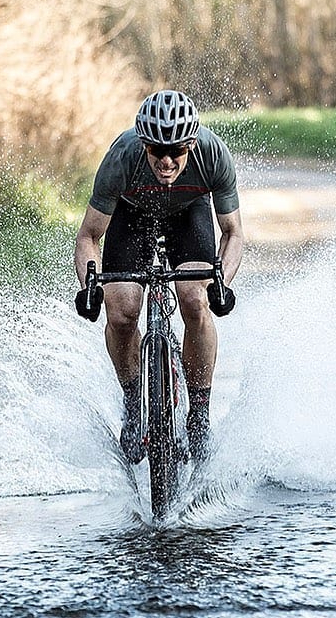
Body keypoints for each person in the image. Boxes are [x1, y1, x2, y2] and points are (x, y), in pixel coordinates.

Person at [74, 89, 244, 464]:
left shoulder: (213, 155)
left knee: (194, 300)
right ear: (144, 145)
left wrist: (222, 283)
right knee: (122, 311)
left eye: (177, 152)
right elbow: (89, 236)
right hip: (132, 215)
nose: (166, 161)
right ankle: (133, 402)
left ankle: (199, 414)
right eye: (157, 151)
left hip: (189, 213)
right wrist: (90, 288)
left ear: (192, 144)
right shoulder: (121, 157)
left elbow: (233, 233)